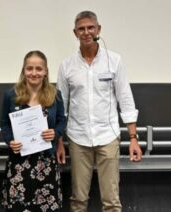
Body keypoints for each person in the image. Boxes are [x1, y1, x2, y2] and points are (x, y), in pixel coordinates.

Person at [56, 11, 142, 212]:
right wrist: (59, 141)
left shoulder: (114, 61)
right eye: (81, 29)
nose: (86, 32)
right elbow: (61, 106)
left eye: (90, 27)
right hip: (78, 138)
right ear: (75, 33)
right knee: (78, 200)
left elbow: (125, 99)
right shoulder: (66, 65)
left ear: (98, 29)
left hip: (108, 136)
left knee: (111, 201)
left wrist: (133, 138)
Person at [1, 50, 67, 211]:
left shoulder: (55, 95)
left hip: (46, 162)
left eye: (39, 69)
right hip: (19, 163)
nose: (34, 73)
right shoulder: (11, 95)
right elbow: (4, 124)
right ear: (23, 71)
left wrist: (56, 133)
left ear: (45, 71)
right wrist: (10, 141)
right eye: (29, 68)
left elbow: (62, 120)